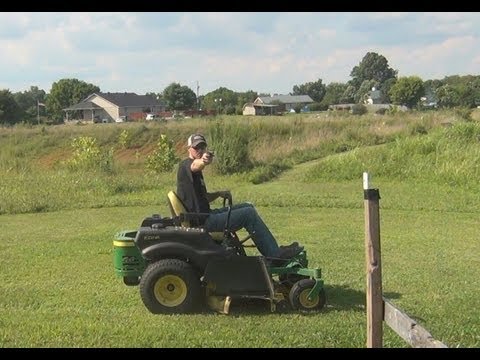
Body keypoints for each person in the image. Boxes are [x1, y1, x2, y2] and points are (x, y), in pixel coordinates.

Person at [176, 133, 303, 259]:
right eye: (196, 148)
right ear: (189, 149)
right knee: (248, 214)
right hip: (203, 222)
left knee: (248, 206)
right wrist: (203, 160)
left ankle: (273, 249)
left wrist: (219, 194)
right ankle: (275, 255)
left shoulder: (197, 174)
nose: (200, 150)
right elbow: (195, 165)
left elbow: (205, 197)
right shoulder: (186, 165)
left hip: (205, 215)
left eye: (203, 147)